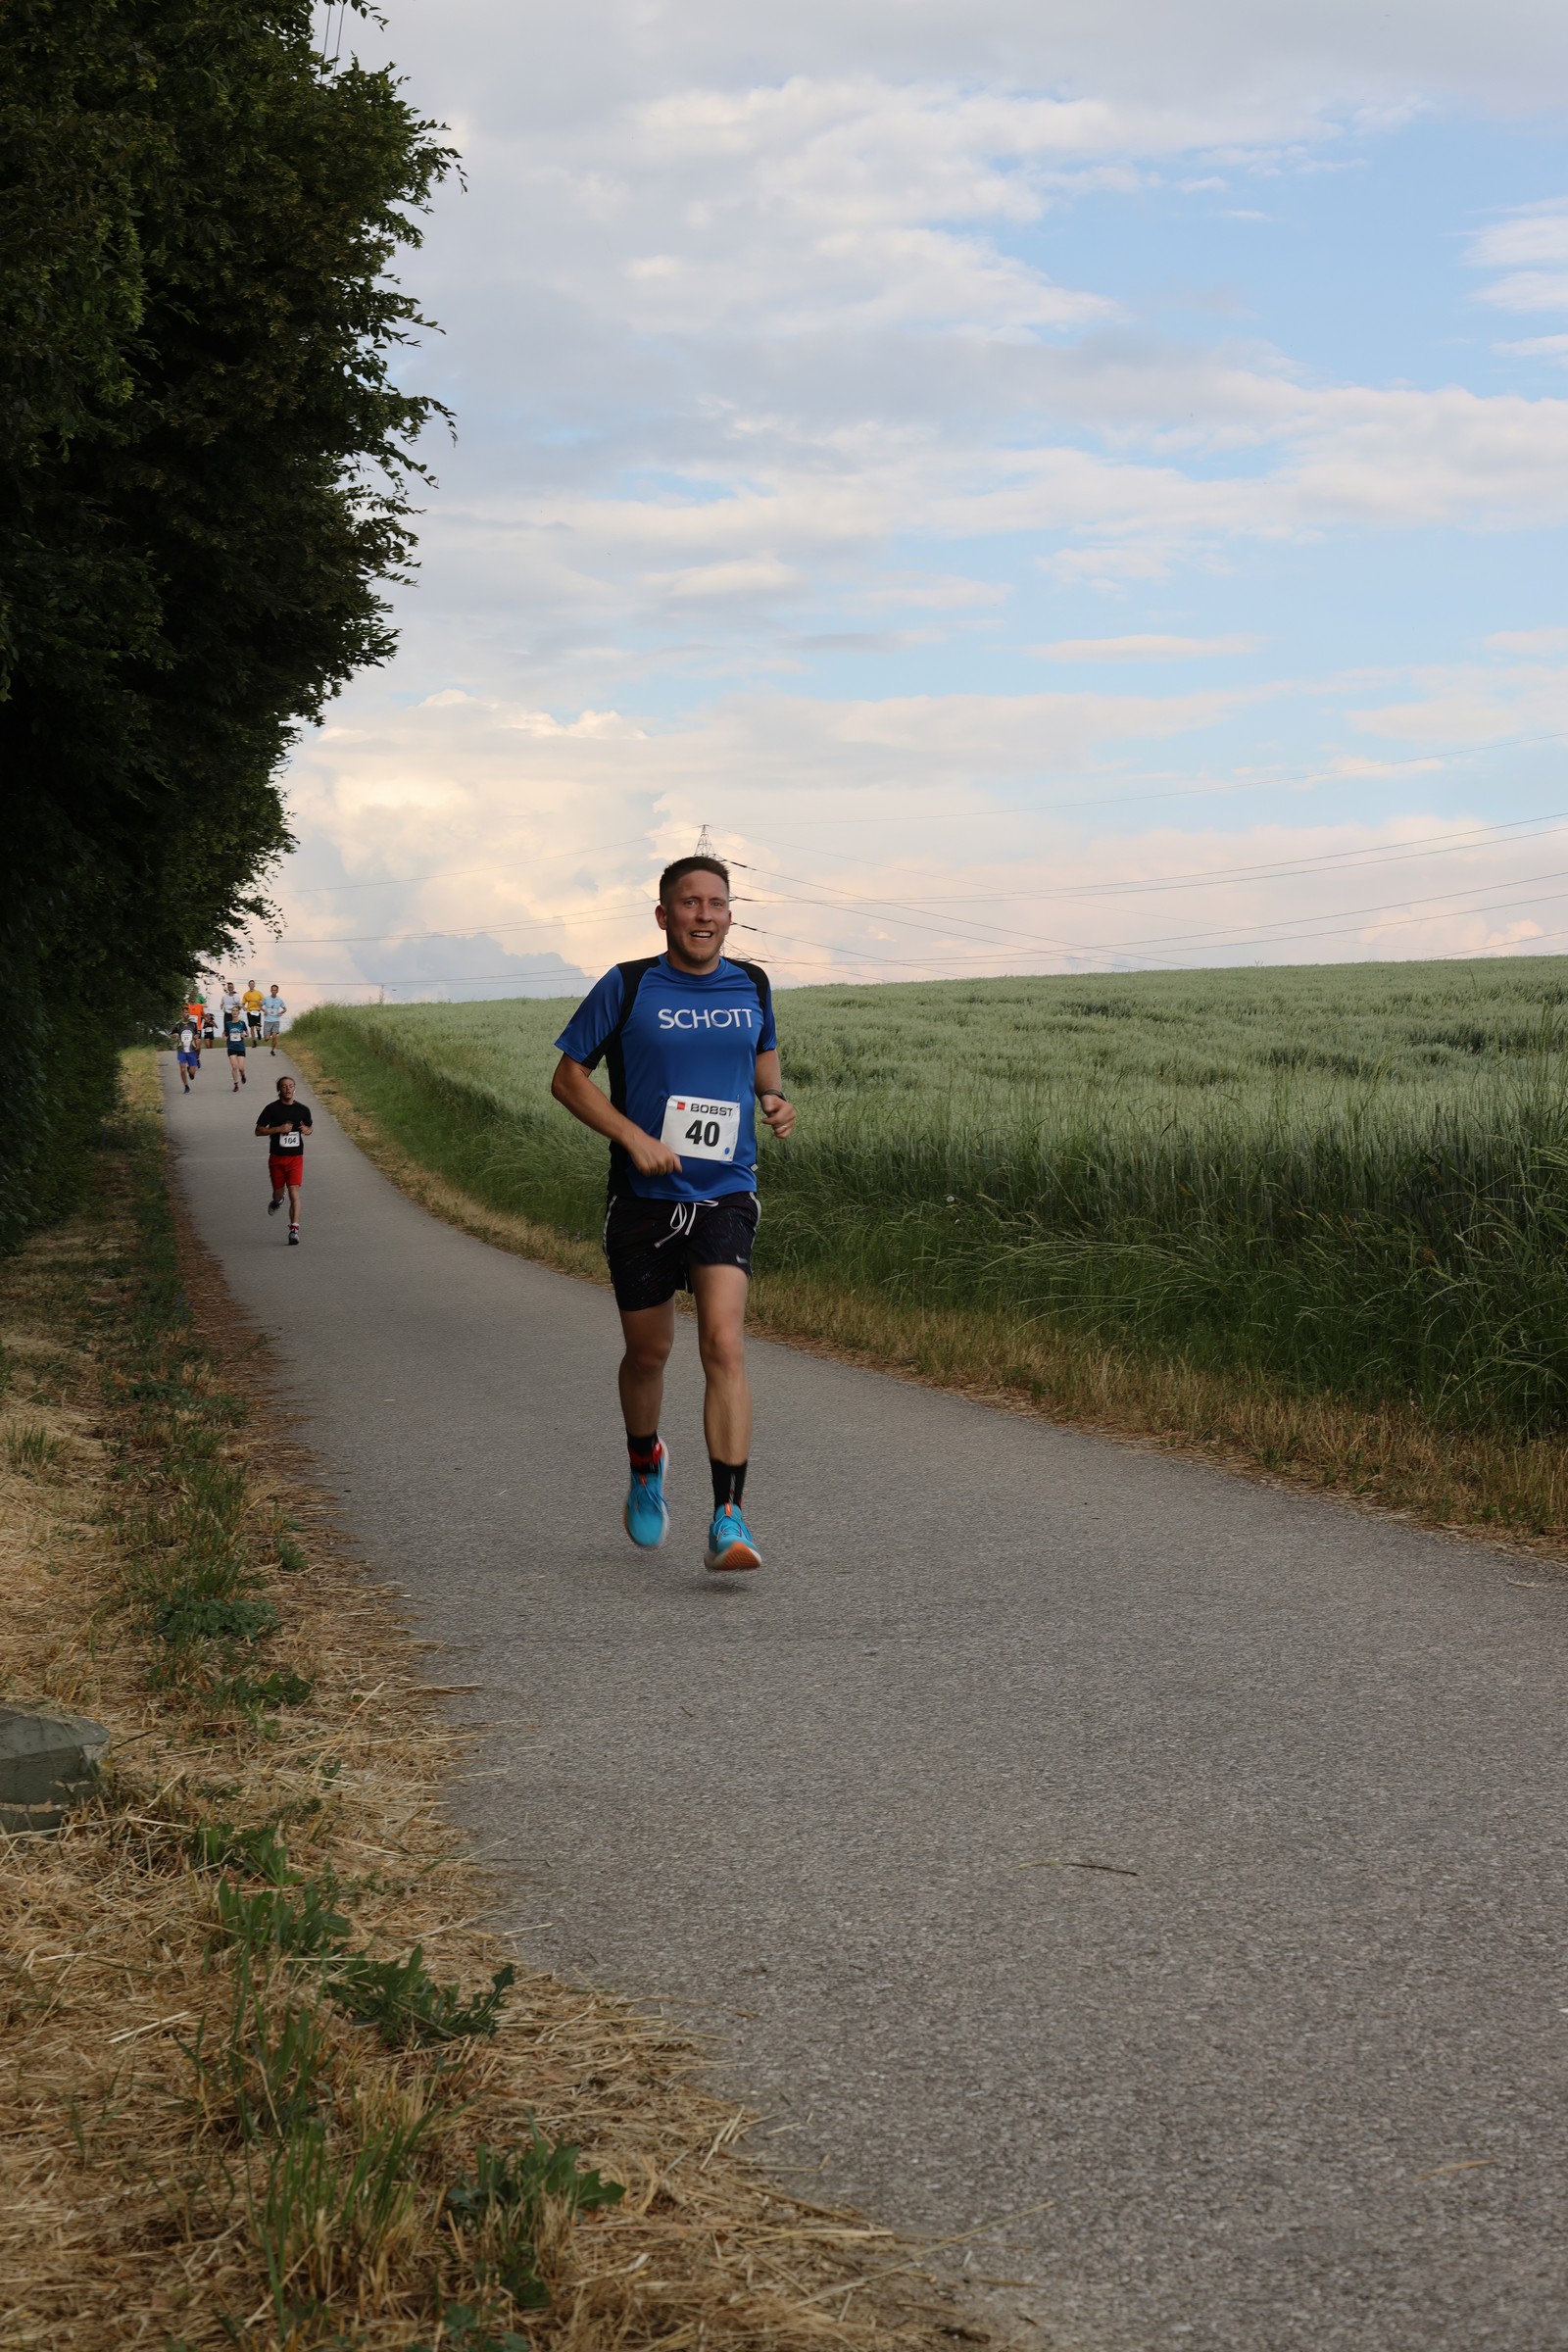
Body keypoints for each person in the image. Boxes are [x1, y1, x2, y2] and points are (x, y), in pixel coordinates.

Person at [550, 855, 795, 1573]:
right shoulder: (627, 985)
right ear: (664, 914)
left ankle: (729, 1517)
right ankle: (645, 1462)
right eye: (689, 903)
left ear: (730, 914)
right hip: (643, 1200)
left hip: (725, 1190)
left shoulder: (751, 983)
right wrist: (633, 1137)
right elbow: (568, 1079)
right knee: (649, 1353)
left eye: (716, 903)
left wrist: (774, 1098)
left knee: (723, 1343)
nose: (704, 915)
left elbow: (764, 1058)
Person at [254, 1073, 313, 1245]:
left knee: (294, 1191)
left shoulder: (302, 1110)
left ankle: (294, 1230)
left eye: (291, 1086)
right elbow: (258, 1130)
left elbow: (309, 1128)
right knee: (278, 1194)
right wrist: (278, 1129)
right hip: (277, 1158)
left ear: (295, 1089)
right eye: (284, 1086)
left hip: (295, 1158)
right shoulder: (271, 1109)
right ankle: (278, 1201)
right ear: (279, 1089)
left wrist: (307, 1130)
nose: (288, 1089)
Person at [224, 1005, 249, 1091]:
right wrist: (224, 1037)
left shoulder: (242, 1023)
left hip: (240, 1047)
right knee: (234, 1066)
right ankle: (236, 1084)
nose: (234, 1012)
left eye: (236, 1011)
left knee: (241, 1068)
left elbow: (247, 1033)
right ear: (231, 1013)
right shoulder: (228, 1024)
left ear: (238, 1013)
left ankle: (242, 1074)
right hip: (231, 1047)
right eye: (233, 1011)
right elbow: (225, 1033)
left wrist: (244, 1035)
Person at [174, 1017, 201, 1093]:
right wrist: (175, 1035)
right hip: (181, 1050)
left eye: (187, 1012)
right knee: (182, 1069)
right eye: (185, 1012)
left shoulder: (193, 1025)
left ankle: (190, 1070)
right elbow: (172, 1034)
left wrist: (196, 1036)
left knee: (192, 1073)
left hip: (191, 1050)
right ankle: (186, 1086)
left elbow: (198, 1034)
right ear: (181, 1015)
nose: (186, 1014)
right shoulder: (178, 1025)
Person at [261, 985, 287, 1054]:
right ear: (271, 990)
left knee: (274, 1036)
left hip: (276, 1020)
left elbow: (285, 1009)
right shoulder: (266, 999)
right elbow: (260, 1005)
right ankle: (268, 1034)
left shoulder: (279, 1000)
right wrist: (264, 1011)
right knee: (266, 1038)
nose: (274, 991)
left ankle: (272, 1050)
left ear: (277, 991)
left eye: (275, 990)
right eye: (272, 990)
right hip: (267, 1020)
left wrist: (281, 1013)